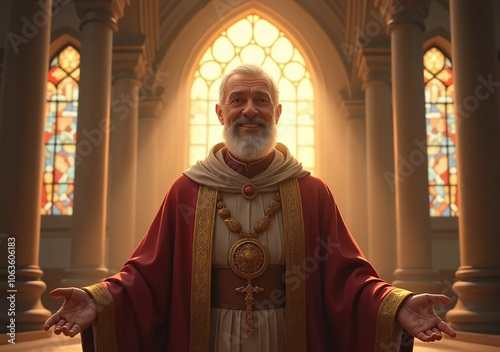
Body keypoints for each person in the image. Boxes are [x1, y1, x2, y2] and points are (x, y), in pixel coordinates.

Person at [44, 64, 457, 352]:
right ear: (221, 112)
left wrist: (397, 305)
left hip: (285, 333)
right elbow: (147, 276)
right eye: (238, 100)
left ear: (277, 113)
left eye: (261, 100)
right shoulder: (186, 191)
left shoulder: (311, 192)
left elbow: (347, 278)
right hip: (207, 336)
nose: (249, 110)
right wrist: (97, 299)